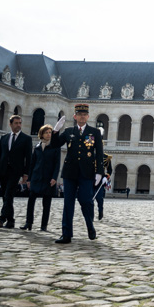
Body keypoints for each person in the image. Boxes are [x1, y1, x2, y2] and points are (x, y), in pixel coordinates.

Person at [49, 104, 104, 244]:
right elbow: (54, 145)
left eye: (84, 114)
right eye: (79, 114)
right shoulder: (68, 131)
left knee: (86, 201)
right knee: (68, 203)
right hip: (70, 172)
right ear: (75, 116)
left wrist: (99, 173)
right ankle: (66, 234)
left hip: (87, 173)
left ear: (88, 116)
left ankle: (90, 226)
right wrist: (55, 131)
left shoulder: (94, 132)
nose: (82, 116)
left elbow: (99, 155)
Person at [0, 114, 33, 228]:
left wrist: (26, 173)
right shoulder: (4, 137)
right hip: (3, 169)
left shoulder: (26, 139)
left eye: (20, 123)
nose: (18, 125)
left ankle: (2, 217)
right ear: (10, 124)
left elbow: (28, 158)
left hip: (16, 171)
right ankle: (10, 220)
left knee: (9, 193)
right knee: (5, 195)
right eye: (16, 123)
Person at [22, 125, 61, 232]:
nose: (49, 134)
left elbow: (57, 165)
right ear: (42, 134)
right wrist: (29, 179)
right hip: (36, 177)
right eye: (46, 132)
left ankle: (44, 226)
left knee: (46, 204)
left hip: (48, 178)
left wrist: (54, 178)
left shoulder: (55, 147)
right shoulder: (37, 147)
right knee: (31, 201)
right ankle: (28, 223)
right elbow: (32, 164)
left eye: (50, 132)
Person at [97, 153, 112, 220]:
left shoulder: (105, 157)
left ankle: (100, 211)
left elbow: (109, 170)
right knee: (89, 199)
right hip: (89, 178)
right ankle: (90, 215)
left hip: (100, 180)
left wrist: (106, 177)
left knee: (99, 198)